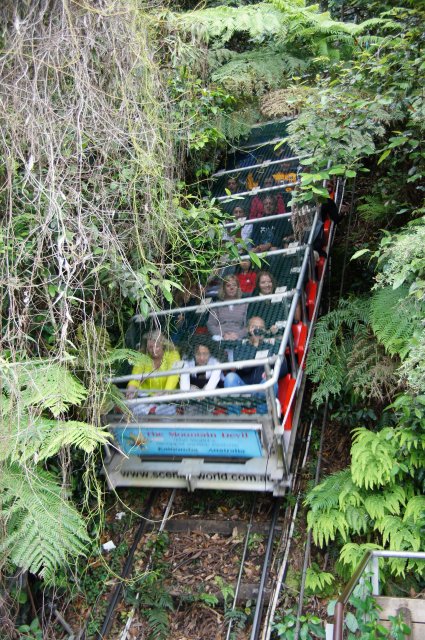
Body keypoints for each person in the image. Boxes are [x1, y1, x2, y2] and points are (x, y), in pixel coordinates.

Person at [223, 317, 286, 413]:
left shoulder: (272, 346)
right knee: (230, 377)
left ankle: (262, 418)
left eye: (261, 328)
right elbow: (245, 369)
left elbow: (284, 366)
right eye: (254, 327)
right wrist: (255, 345)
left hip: (262, 387)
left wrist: (271, 372)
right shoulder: (241, 347)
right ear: (248, 329)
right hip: (244, 387)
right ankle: (234, 417)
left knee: (270, 381)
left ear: (265, 331)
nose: (258, 330)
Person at [126, 331, 181, 401]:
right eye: (150, 347)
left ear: (163, 345)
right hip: (146, 397)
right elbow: (135, 376)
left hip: (168, 398)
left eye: (157, 346)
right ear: (146, 347)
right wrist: (131, 389)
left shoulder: (173, 354)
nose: (154, 350)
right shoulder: (142, 357)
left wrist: (166, 392)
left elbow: (174, 375)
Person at [207, 275, 248, 341]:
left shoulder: (245, 304)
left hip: (239, 337)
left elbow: (247, 326)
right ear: (224, 288)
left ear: (237, 287)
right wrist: (223, 334)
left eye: (234, 285)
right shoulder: (217, 305)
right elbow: (211, 324)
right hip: (220, 336)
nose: (231, 288)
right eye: (228, 286)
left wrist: (238, 335)